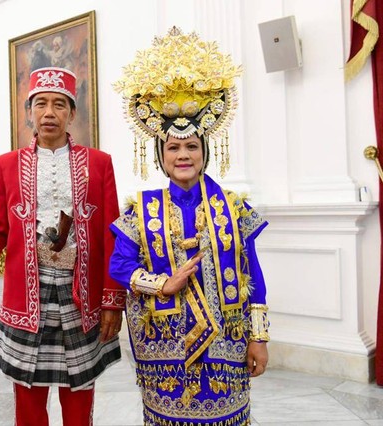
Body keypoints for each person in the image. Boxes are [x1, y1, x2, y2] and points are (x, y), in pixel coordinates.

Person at [109, 28, 269, 425]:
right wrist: (162, 284)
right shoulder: (139, 210)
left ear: (205, 152)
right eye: (174, 147)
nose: (183, 155)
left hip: (226, 345)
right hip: (164, 347)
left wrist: (259, 337)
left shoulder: (234, 208)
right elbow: (119, 266)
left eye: (192, 146)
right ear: (161, 157)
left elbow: (254, 274)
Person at [0, 66, 126, 426]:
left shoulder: (99, 164)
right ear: (29, 111)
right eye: (42, 104)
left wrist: (112, 302)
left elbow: (113, 234)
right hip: (27, 300)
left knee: (79, 395)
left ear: (72, 113)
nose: (50, 113)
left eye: (60, 105)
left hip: (82, 297)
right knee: (28, 398)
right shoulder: (7, 165)